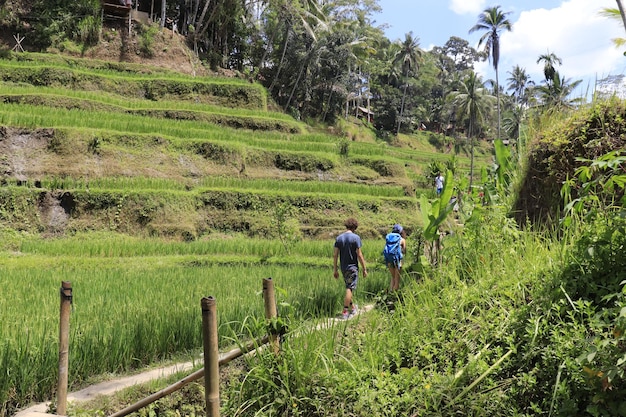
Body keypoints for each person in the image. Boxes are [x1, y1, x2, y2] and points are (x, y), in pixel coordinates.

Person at [333, 217, 368, 319]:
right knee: (349, 288)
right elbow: (359, 255)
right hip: (352, 268)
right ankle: (345, 311)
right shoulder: (356, 238)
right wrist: (364, 268)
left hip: (343, 268)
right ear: (355, 227)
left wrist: (335, 269)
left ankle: (352, 308)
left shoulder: (339, 238)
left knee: (349, 287)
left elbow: (335, 255)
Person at [385, 224, 406, 292]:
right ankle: (394, 296)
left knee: (393, 277)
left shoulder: (389, 238)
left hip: (389, 260)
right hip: (397, 260)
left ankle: (390, 294)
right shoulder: (402, 239)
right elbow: (404, 251)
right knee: (397, 279)